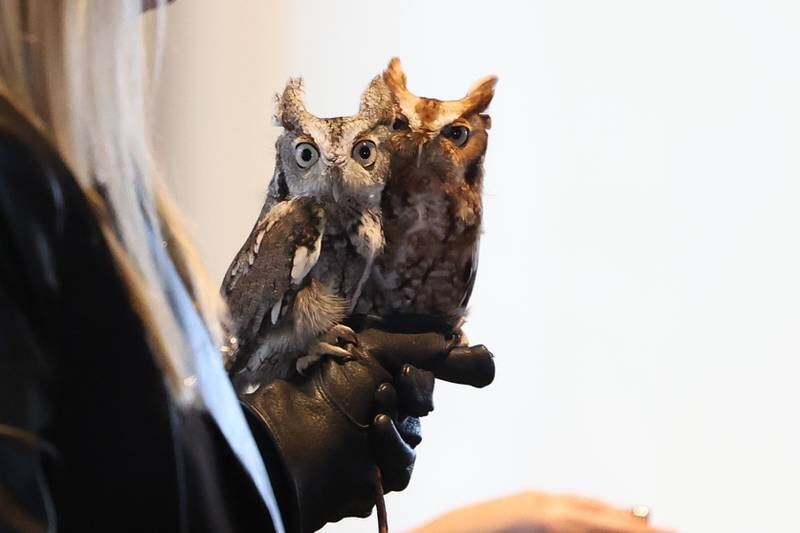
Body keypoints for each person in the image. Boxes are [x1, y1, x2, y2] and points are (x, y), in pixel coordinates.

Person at [0, 2, 672, 532]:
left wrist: (271, 464)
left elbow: (119, 503)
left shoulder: (74, 180)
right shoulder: (19, 190)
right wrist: (279, 455)